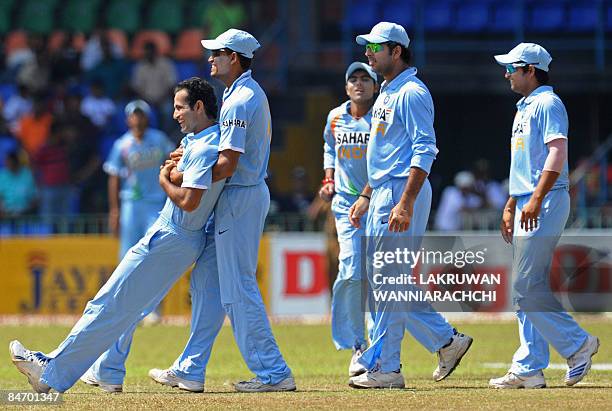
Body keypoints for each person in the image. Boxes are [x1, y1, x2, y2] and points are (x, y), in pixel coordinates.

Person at [9, 78, 226, 394]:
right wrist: (174, 169)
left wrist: (165, 178)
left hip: (173, 232)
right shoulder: (201, 140)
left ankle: (50, 372)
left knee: (107, 302)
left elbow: (190, 200)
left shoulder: (205, 145)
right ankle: (108, 370)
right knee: (130, 307)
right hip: (178, 236)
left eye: (180, 107)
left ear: (198, 107)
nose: (175, 114)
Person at [155, 28, 296, 393]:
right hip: (240, 197)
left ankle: (273, 373)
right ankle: (190, 368)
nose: (210, 59)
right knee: (207, 281)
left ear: (234, 57)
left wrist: (184, 174)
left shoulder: (239, 99)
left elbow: (227, 165)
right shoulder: (241, 94)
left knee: (238, 289)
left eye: (216, 53)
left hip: (240, 198)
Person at [347, 22, 473, 389]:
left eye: (374, 47)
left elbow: (424, 149)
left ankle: (387, 366)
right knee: (388, 281)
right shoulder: (388, 90)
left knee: (387, 281)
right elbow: (385, 150)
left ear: (396, 51)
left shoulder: (413, 92)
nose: (367, 53)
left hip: (403, 190)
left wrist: (405, 203)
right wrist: (368, 194)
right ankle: (446, 342)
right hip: (386, 190)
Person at [489, 43, 599, 389]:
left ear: (531, 70)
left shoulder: (548, 104)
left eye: (512, 68)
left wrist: (534, 198)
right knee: (527, 286)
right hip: (529, 199)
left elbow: (556, 155)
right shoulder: (525, 107)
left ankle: (577, 344)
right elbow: (524, 163)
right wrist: (512, 203)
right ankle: (530, 367)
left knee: (524, 286)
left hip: (546, 198)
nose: (507, 73)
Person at [319, 61, 378, 377]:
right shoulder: (335, 117)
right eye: (353, 79)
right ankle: (358, 344)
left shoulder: (381, 116)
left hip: (377, 203)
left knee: (379, 277)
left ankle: (382, 347)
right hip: (344, 205)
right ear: (346, 88)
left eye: (364, 79)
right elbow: (329, 148)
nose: (359, 84)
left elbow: (384, 161)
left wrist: (366, 196)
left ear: (374, 86)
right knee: (351, 268)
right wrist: (328, 177)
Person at [104, 100, 175, 259]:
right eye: (134, 116)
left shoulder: (159, 139)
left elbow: (173, 162)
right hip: (131, 202)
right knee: (128, 249)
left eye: (141, 115)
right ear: (127, 120)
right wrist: (114, 210)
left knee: (155, 246)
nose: (137, 119)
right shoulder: (122, 145)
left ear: (147, 118)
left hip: (155, 201)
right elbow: (113, 177)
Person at [0, 150, 37, 217]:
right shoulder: (2, 175)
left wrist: (31, 210)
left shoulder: (27, 174)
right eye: (8, 163)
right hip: (7, 213)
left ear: (17, 162)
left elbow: (34, 196)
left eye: (12, 163)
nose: (10, 165)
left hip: (26, 212)